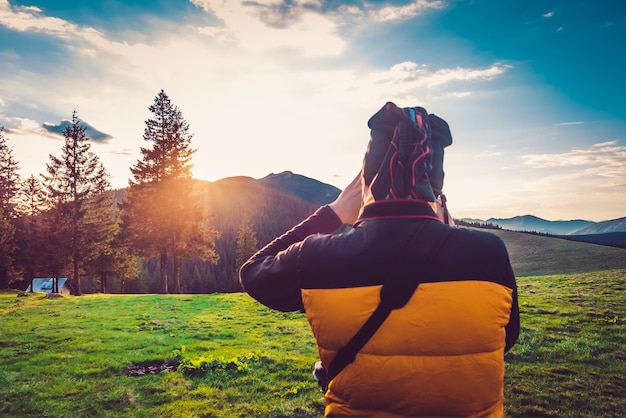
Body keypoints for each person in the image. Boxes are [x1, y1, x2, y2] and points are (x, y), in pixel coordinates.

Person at [239, 102, 520, 417]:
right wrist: (446, 231)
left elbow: (253, 273)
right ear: (436, 190)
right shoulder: (489, 254)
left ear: (365, 184)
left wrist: (332, 214)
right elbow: (501, 341)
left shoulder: (317, 258)